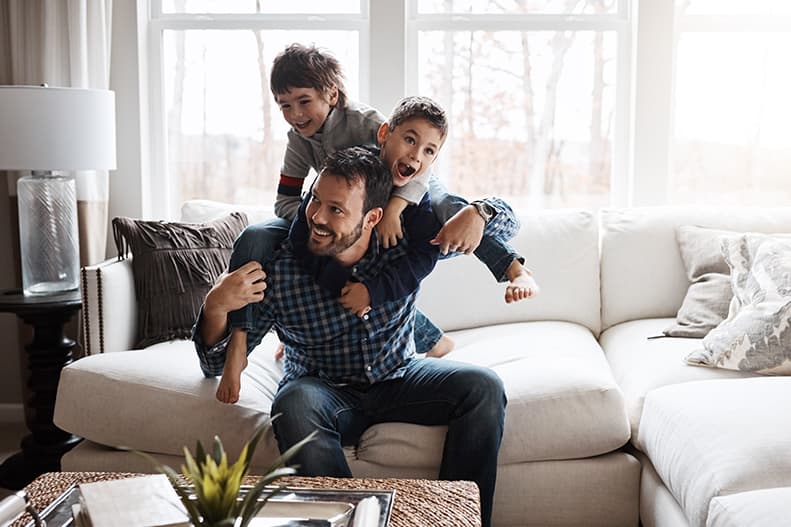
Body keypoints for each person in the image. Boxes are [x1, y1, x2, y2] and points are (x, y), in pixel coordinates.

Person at [193, 147, 506, 527]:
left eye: (336, 209)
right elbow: (213, 365)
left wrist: (479, 212)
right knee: (293, 401)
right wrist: (215, 307)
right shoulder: (281, 268)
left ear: (373, 216)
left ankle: (459, 521)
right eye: (314, 202)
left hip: (398, 376)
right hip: (323, 390)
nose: (316, 218)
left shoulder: (402, 244)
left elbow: (505, 232)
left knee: (484, 386)